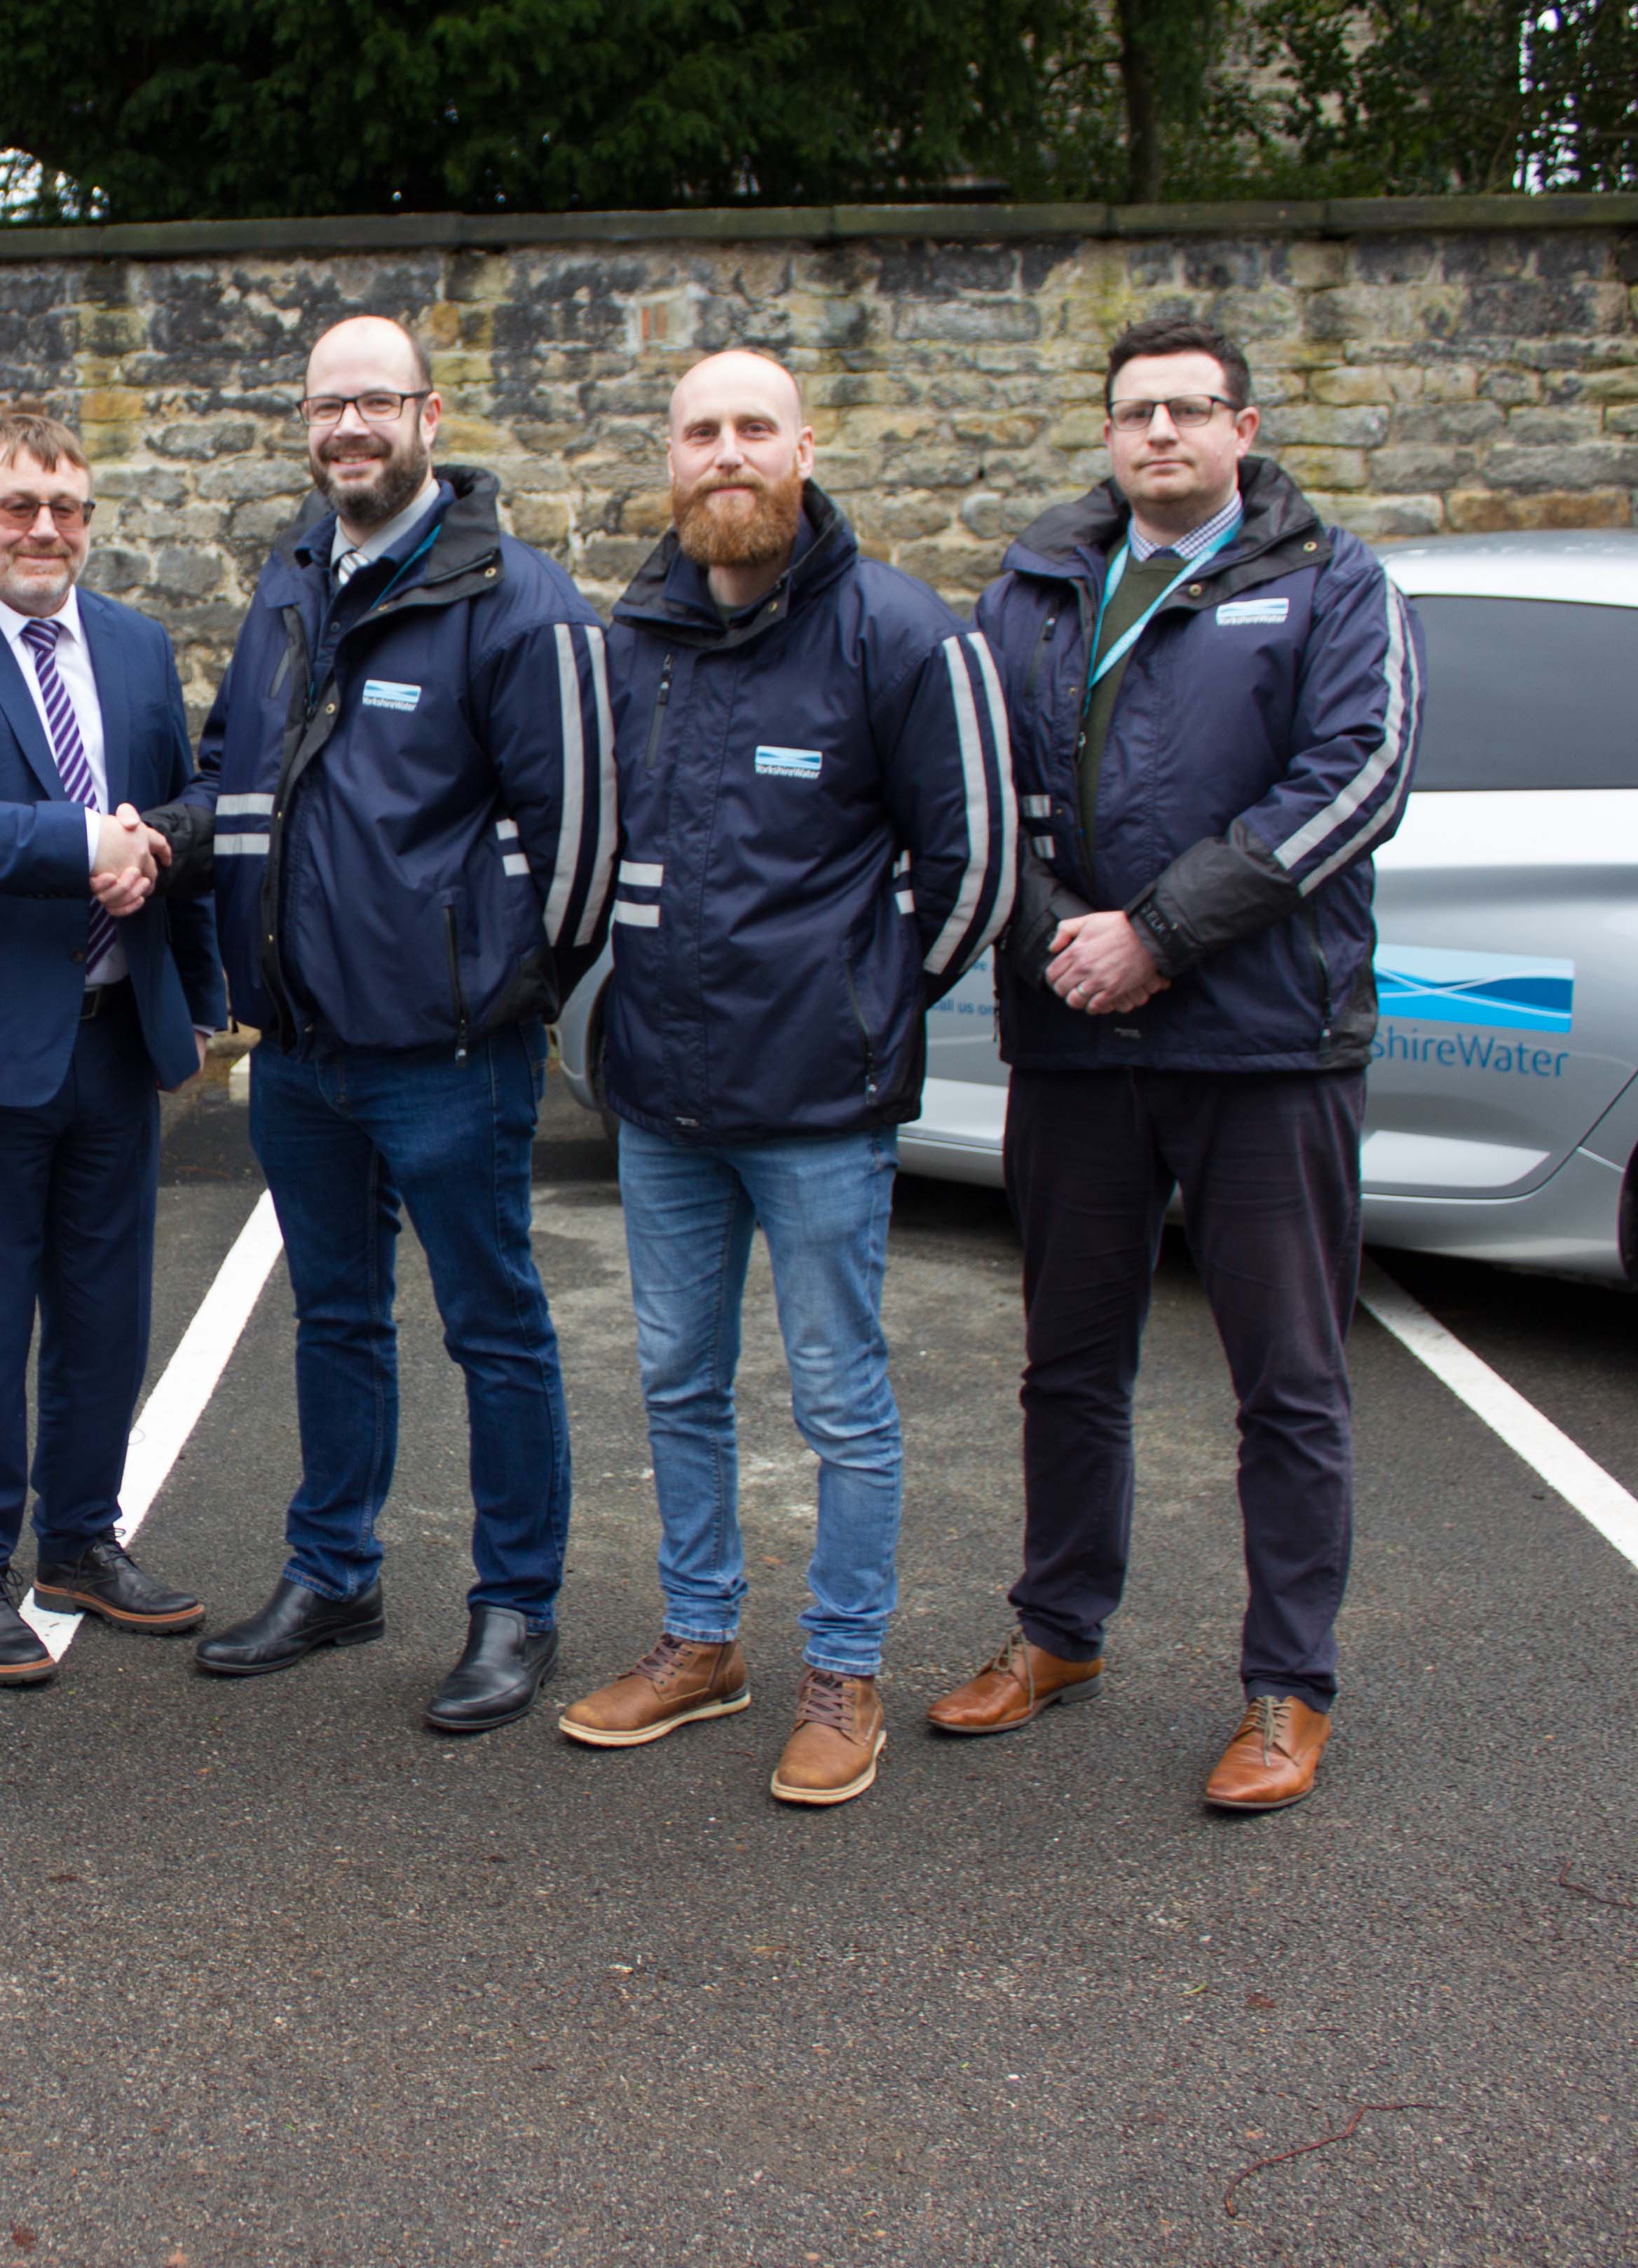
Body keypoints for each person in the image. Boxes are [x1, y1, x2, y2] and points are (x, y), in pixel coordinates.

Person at [934, 313, 1419, 1813]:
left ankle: (1286, 1687)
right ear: (1108, 434)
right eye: (1136, 411)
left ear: (1244, 432)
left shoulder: (1334, 584)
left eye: (1190, 412)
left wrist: (1156, 934)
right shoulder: (1033, 591)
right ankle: (1059, 1632)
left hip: (1265, 1048)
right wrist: (1059, 935)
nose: (1160, 435)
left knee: (1287, 1380)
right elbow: (976, 796)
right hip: (1078, 1043)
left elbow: (1357, 779)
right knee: (1069, 1364)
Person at [554, 350, 1014, 1807]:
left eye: (756, 428)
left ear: (807, 446)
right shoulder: (637, 641)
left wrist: (872, 1009)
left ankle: (841, 1668)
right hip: (667, 1103)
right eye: (702, 432)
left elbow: (976, 865)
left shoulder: (898, 633)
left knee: (840, 1400)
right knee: (680, 1380)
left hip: (820, 1105)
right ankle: (703, 1643)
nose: (728, 454)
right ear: (670, 456)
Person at [162, 315, 616, 1734]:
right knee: (337, 1319)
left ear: (427, 414)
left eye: (375, 402)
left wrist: (500, 989)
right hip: (299, 1048)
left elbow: (583, 836)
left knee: (495, 1329)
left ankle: (517, 1607)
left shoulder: (517, 601)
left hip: (450, 1054)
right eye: (326, 406)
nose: (349, 428)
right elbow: (242, 777)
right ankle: (334, 1572)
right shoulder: (291, 580)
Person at [0, 410, 230, 1685]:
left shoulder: (131, 643)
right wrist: (84, 848)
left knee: (108, 1315)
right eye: (17, 505)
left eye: (66, 506)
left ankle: (79, 1540)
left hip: (117, 1036)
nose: (45, 530)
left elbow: (182, 799)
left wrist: (155, 849)